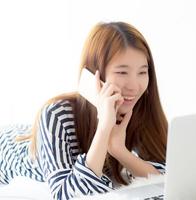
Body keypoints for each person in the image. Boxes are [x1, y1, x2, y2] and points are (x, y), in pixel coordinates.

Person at [0, 21, 168, 200]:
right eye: (122, 72)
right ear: (95, 75)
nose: (134, 86)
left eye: (142, 72)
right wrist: (104, 129)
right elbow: (66, 195)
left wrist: (119, 150)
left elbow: (168, 182)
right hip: (9, 148)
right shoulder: (57, 114)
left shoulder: (140, 109)